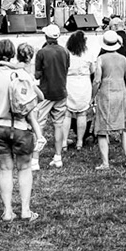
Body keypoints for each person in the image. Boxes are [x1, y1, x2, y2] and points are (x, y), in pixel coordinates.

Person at [0, 38, 39, 221]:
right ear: (13, 55)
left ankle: (7, 211)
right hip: (20, 125)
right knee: (24, 168)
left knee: (5, 169)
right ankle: (26, 210)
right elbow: (33, 99)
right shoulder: (21, 74)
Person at [93, 30, 126, 169]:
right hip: (121, 92)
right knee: (124, 129)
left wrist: (93, 96)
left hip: (106, 93)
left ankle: (105, 162)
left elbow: (97, 81)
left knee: (102, 129)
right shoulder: (123, 59)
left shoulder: (101, 59)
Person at [31, 24, 71, 168]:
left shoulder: (42, 52)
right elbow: (66, 69)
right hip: (61, 91)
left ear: (46, 37)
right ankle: (58, 157)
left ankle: (35, 159)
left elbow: (37, 74)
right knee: (58, 125)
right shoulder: (65, 52)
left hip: (46, 93)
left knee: (39, 124)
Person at [63, 30, 94, 162]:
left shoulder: (66, 54)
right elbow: (93, 70)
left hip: (69, 83)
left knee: (67, 114)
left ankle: (63, 142)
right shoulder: (88, 53)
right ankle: (80, 142)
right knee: (82, 113)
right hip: (84, 84)